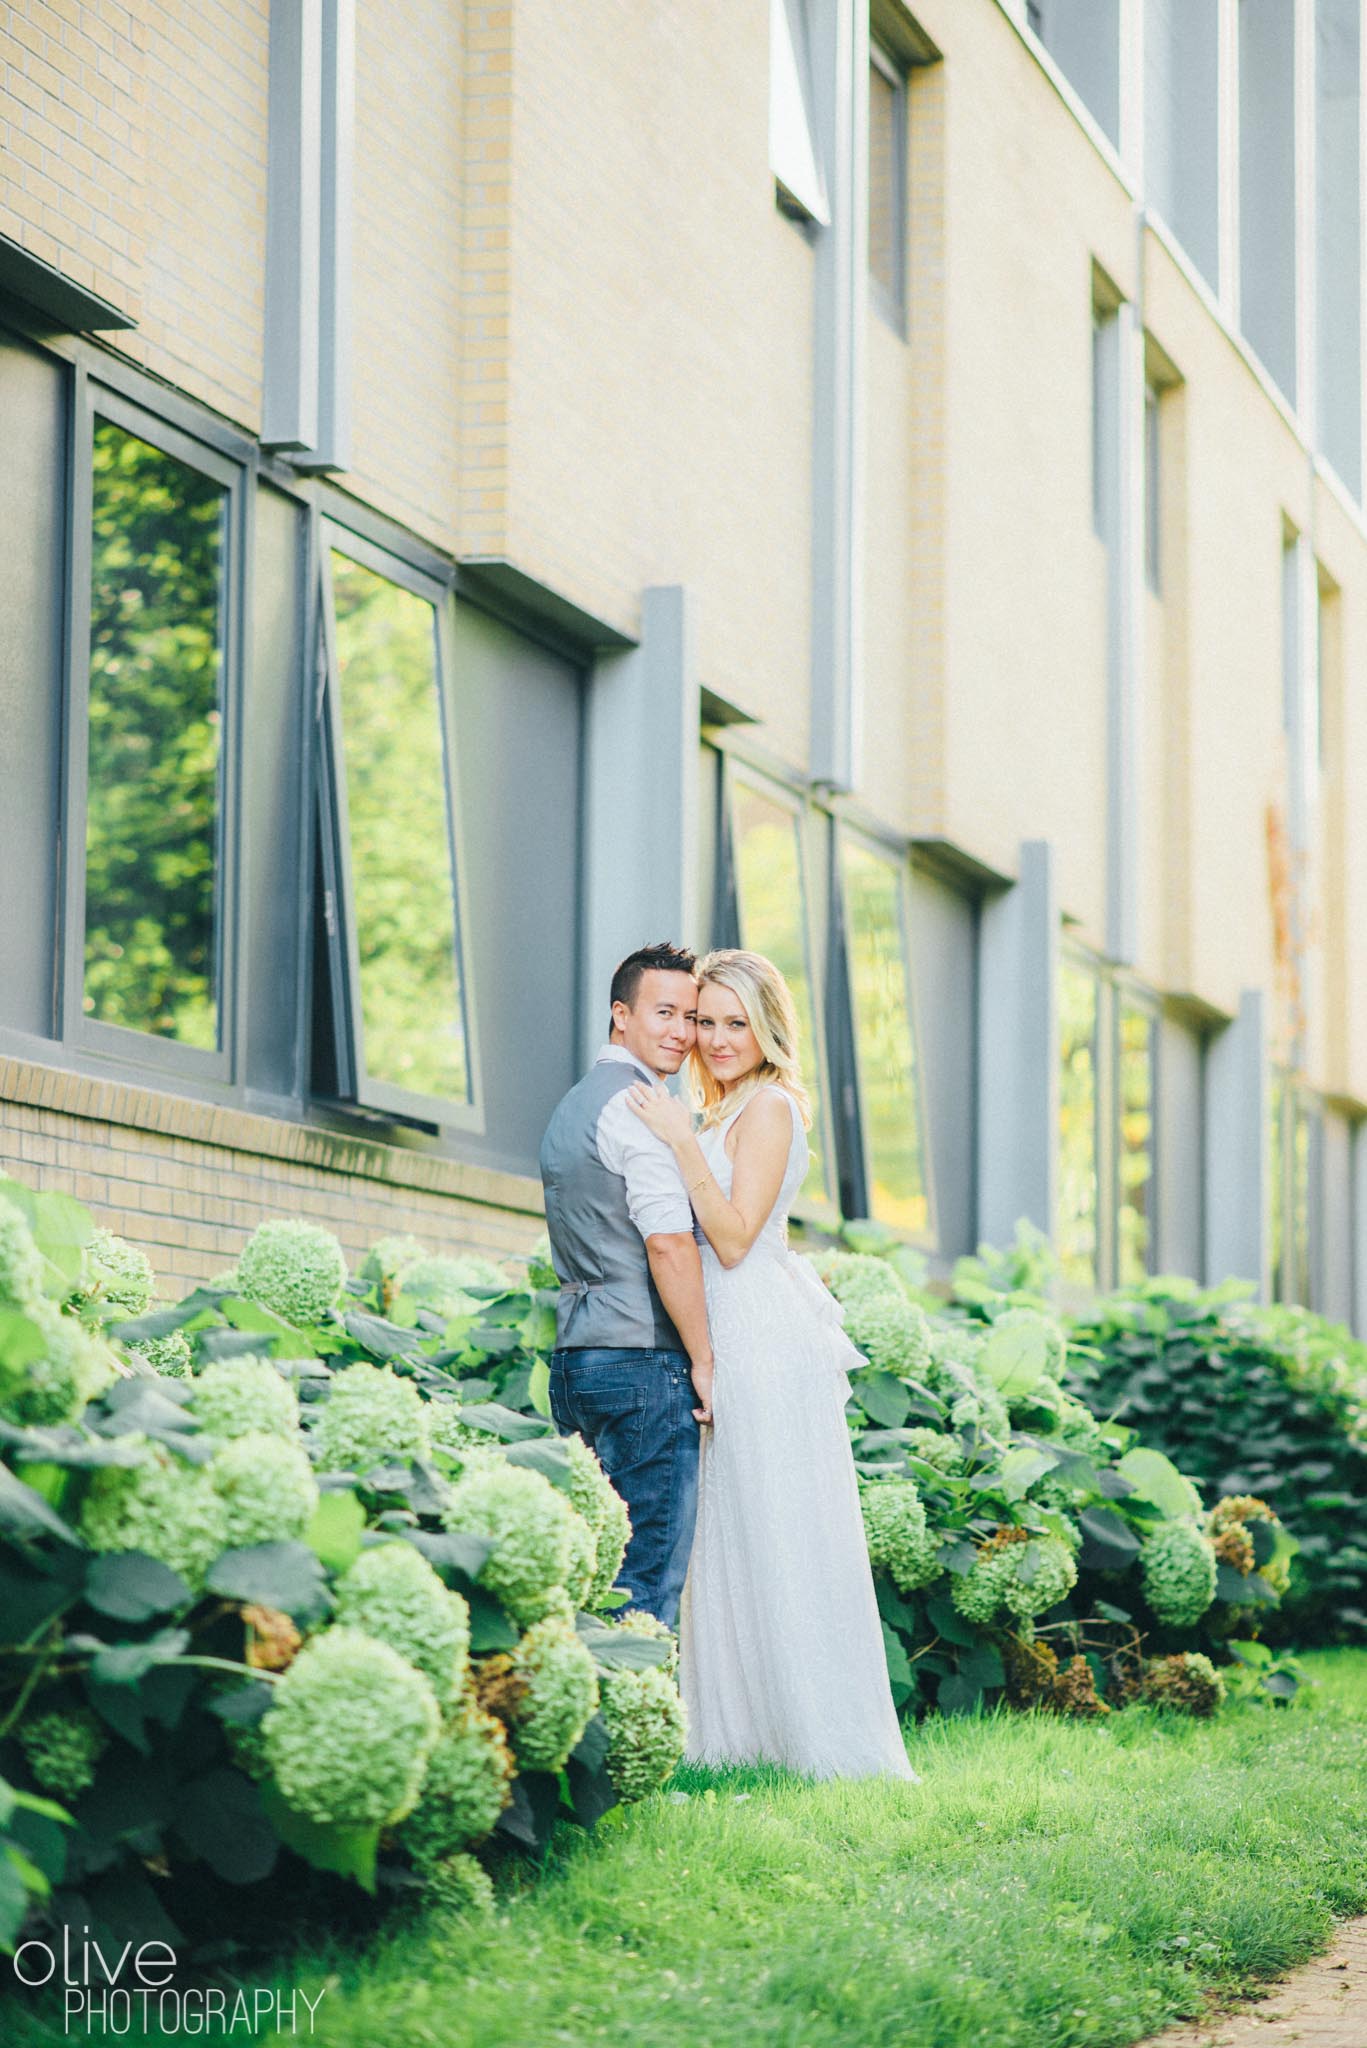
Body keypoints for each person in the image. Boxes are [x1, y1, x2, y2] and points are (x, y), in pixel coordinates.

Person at [626, 947, 918, 1781]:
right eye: (704, 1021)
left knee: (773, 1526)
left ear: (768, 1028)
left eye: (734, 1023)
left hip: (754, 1332)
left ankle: (814, 1738)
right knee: (724, 1531)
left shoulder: (769, 1110)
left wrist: (680, 1143)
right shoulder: (717, 1110)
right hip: (720, 1330)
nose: (716, 1039)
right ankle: (730, 1737)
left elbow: (730, 1235)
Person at [538, 942, 713, 1626]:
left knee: (592, 1568)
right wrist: (702, 1358)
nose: (680, 1031)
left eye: (690, 1016)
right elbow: (667, 1244)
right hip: (643, 1363)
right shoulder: (640, 1108)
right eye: (663, 1012)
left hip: (576, 1360)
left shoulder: (572, 1107)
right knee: (647, 1579)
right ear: (620, 1015)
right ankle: (636, 1729)